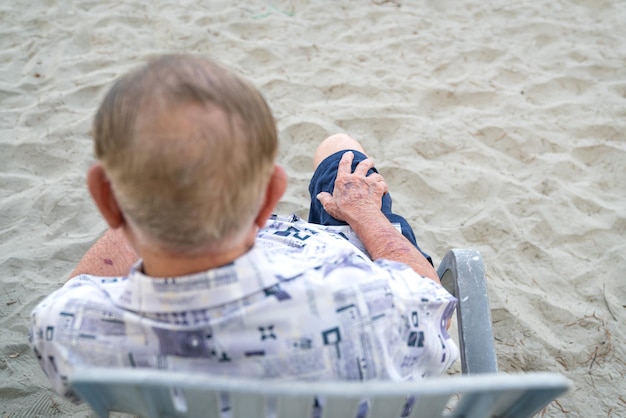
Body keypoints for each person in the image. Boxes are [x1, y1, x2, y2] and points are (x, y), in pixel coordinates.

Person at [29, 54, 458, 402]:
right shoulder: (377, 305)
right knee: (338, 148)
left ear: (105, 197)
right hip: (333, 256)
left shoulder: (67, 327)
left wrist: (146, 200)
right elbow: (436, 300)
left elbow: (76, 289)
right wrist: (366, 214)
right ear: (270, 195)